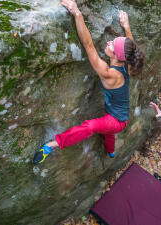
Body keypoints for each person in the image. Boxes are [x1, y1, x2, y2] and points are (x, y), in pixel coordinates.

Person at [33, 0, 145, 164]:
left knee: (91, 127)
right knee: (108, 134)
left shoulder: (108, 74)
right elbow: (131, 47)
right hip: (119, 114)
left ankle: (51, 145)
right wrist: (126, 27)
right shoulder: (126, 64)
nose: (108, 42)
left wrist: (77, 13)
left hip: (116, 120)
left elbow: (88, 45)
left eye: (112, 45)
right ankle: (111, 152)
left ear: (116, 56)